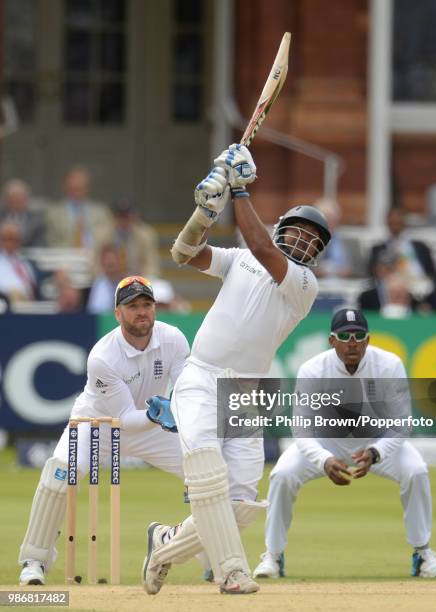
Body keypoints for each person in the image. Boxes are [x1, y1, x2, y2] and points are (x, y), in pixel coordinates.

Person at [141, 144, 331, 596]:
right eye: (299, 231)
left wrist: (239, 189)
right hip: (203, 376)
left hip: (249, 389)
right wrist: (205, 212)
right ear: (285, 227)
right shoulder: (240, 259)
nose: (304, 240)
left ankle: (164, 544)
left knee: (242, 504)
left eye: (314, 239)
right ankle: (231, 572)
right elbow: (185, 252)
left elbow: (264, 247)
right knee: (206, 468)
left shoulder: (303, 283)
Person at [253, 308, 436, 580]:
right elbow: (302, 428)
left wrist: (376, 452)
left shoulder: (389, 365)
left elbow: (402, 424)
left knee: (416, 471)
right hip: (325, 441)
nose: (352, 342)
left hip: (375, 441)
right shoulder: (313, 369)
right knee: (282, 475)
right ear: (332, 341)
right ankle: (273, 555)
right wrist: (323, 459)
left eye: (359, 336)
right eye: (345, 336)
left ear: (368, 339)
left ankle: (423, 553)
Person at [18, 276, 190, 585]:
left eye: (147, 305)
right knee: (58, 476)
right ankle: (35, 560)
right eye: (133, 306)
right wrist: (161, 412)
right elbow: (123, 417)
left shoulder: (174, 338)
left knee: (203, 472)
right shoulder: (102, 356)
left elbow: (185, 390)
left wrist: (179, 410)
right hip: (95, 426)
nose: (142, 312)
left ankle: (204, 554)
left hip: (152, 427)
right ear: (118, 313)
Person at [368, 208, 434, 299]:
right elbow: (373, 274)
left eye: (398, 223)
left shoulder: (420, 247)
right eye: (393, 223)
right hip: (391, 290)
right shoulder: (378, 249)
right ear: (387, 223)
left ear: (404, 223)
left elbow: (431, 272)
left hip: (419, 289)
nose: (395, 226)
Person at [46, 166, 112, 249]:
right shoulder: (54, 213)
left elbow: (106, 241)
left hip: (94, 257)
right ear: (66, 188)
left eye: (80, 189)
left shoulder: (101, 212)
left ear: (87, 188)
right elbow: (51, 242)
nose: (76, 193)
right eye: (73, 188)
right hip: (65, 257)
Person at [0, 221, 41, 302]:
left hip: (32, 302)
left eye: (15, 239)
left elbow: (36, 285)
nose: (10, 243)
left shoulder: (27, 262)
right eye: (7, 239)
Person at [0, 179, 47, 247]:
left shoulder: (36, 220)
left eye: (20, 198)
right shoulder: (1, 216)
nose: (17, 201)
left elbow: (40, 243)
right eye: (13, 198)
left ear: (26, 199)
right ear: (6, 200)